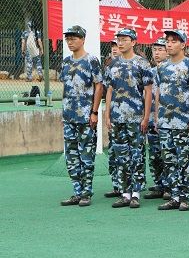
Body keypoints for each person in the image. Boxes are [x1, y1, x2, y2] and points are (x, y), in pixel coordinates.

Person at [104, 28, 153, 209]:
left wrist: (146, 117)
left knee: (137, 155)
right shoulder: (113, 64)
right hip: (118, 117)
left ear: (133, 42)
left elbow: (148, 92)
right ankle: (125, 193)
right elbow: (109, 90)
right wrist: (107, 114)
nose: (121, 42)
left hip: (136, 118)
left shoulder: (142, 63)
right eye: (119, 39)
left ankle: (136, 193)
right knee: (120, 155)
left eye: (125, 39)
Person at [156, 29, 189, 211]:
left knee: (185, 160)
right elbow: (159, 92)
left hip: (184, 121)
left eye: (174, 41)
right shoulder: (162, 67)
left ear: (183, 45)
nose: (169, 44)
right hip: (165, 121)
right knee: (169, 160)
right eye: (167, 41)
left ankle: (185, 197)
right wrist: (157, 117)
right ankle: (174, 196)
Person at [59, 25, 103, 207]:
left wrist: (94, 112)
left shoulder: (91, 61)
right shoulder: (65, 62)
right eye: (68, 39)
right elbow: (65, 87)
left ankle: (86, 193)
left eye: (74, 38)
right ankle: (77, 191)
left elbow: (99, 86)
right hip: (69, 116)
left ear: (83, 39)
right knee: (71, 156)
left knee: (86, 155)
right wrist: (63, 111)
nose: (70, 42)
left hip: (85, 116)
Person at [144, 38, 170, 200]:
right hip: (152, 119)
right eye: (155, 50)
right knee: (154, 155)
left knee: (167, 154)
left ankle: (169, 186)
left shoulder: (171, 70)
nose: (157, 53)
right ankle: (159, 184)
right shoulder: (150, 72)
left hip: (168, 119)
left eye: (161, 49)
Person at [103, 39, 123, 199]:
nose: (115, 49)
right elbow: (108, 90)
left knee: (129, 154)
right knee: (113, 151)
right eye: (113, 46)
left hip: (131, 117)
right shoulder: (110, 66)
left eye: (117, 46)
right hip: (115, 115)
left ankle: (130, 189)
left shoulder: (138, 63)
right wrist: (107, 113)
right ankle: (117, 186)